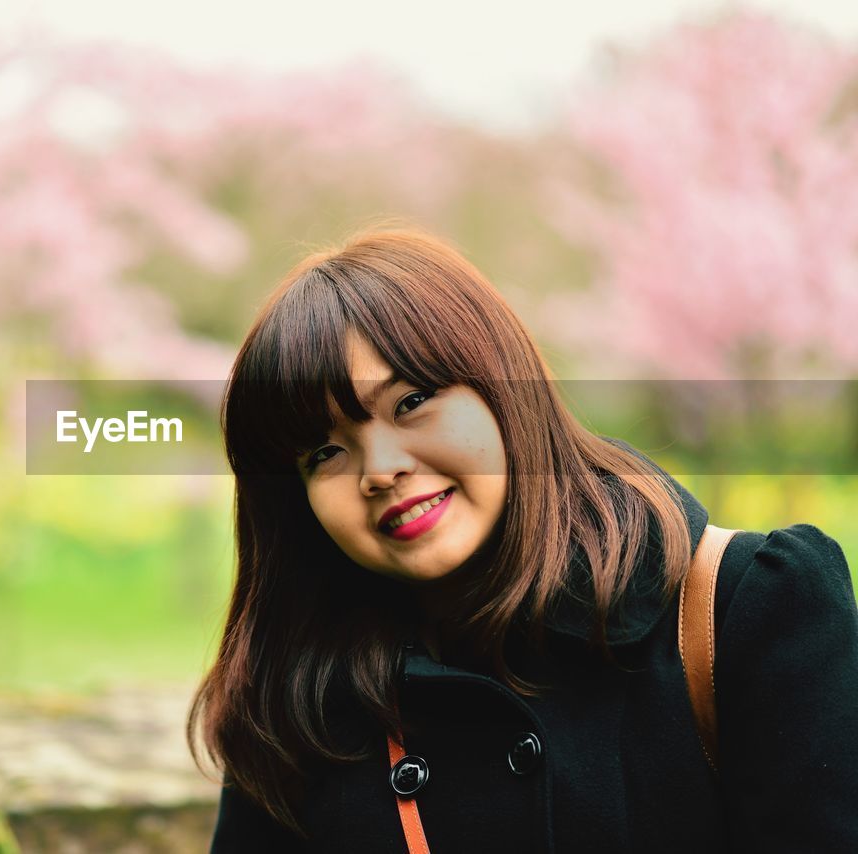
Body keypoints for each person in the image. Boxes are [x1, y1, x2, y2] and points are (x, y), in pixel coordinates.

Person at [186, 228, 858, 852]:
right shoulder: (299, 705)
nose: (380, 469)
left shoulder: (749, 611)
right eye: (323, 453)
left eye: (412, 402)